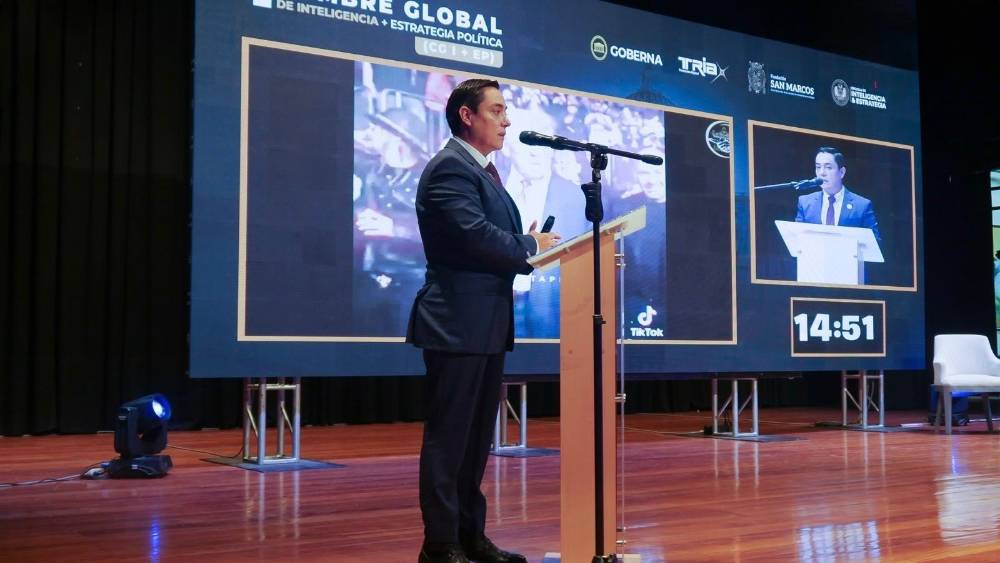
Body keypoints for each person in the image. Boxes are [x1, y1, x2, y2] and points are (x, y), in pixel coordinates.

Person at [406, 78, 561, 563]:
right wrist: (529, 245)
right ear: (466, 115)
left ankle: (471, 536)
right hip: (456, 322)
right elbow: (474, 237)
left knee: (475, 441)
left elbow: (490, 238)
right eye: (496, 110)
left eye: (505, 111)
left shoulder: (483, 171)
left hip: (485, 322)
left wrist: (524, 243)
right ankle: (441, 544)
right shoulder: (450, 168)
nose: (506, 120)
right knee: (450, 438)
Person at [795, 146, 881, 241]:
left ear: (841, 172)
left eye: (828, 167)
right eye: (818, 167)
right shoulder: (805, 202)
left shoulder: (861, 206)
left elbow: (874, 243)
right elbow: (797, 240)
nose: (822, 173)